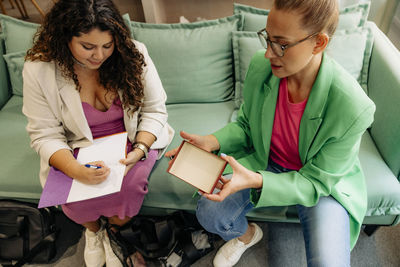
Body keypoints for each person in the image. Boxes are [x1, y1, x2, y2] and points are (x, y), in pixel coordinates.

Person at [166, 0, 375, 266]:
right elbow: (246, 126)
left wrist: (256, 181)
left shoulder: (353, 107)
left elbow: (316, 183)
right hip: (267, 162)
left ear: (319, 43)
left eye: (281, 44)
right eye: (267, 39)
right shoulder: (261, 68)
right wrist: (213, 141)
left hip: (321, 182)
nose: (268, 54)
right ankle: (247, 236)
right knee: (210, 213)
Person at [22, 0, 173, 266]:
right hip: (77, 143)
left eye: (107, 45)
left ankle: (115, 232)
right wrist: (75, 169)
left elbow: (155, 110)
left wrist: (139, 150)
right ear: (64, 38)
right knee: (75, 198)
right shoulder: (39, 69)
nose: (99, 56)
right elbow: (45, 134)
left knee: (131, 188)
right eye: (87, 47)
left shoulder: (134, 54)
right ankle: (95, 231)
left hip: (132, 138)